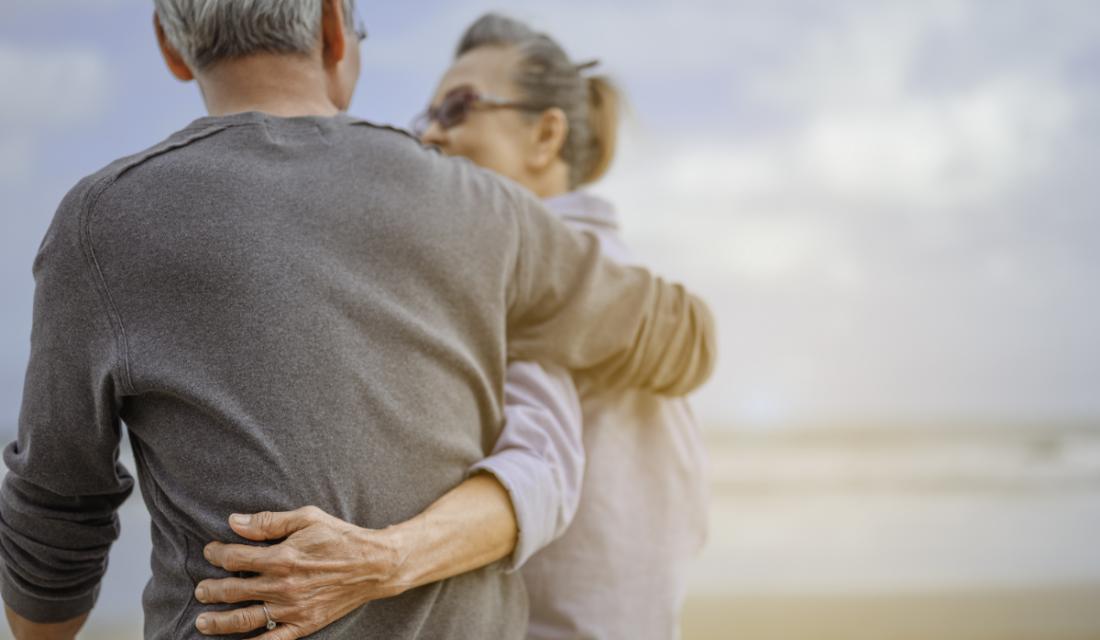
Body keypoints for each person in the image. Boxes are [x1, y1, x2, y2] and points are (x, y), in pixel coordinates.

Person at [0, 1, 715, 640]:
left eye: (458, 108)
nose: (431, 132)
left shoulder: (102, 221)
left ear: (169, 46)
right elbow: (682, 336)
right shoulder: (477, 210)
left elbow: (57, 515)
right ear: (336, 27)